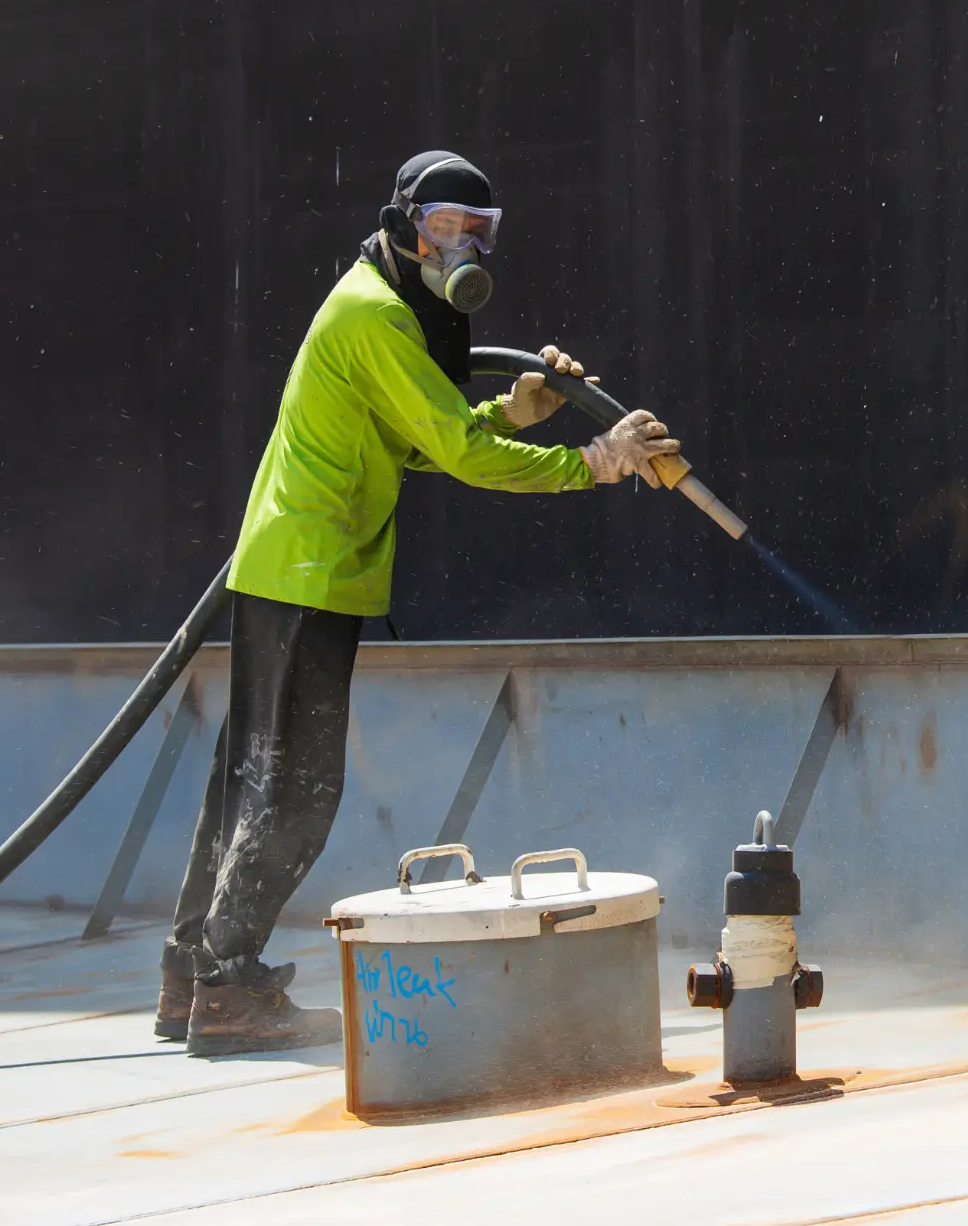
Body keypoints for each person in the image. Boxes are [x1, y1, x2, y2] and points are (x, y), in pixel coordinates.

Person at [157, 150, 678, 1056]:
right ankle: (227, 990)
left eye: (478, 231)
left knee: (249, 780)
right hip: (310, 572)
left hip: (293, 567)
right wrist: (593, 463)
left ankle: (188, 976)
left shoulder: (378, 305)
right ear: (403, 225)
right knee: (293, 792)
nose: (461, 246)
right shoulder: (376, 314)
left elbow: (421, 443)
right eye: (444, 227)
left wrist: (514, 413)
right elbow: (460, 457)